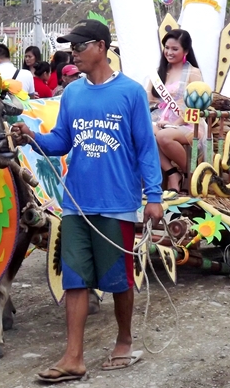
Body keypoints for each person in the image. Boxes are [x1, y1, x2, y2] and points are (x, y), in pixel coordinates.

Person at [11, 19, 163, 382]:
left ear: (100, 47)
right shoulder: (73, 94)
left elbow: (146, 147)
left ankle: (124, 340)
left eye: (78, 48)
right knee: (75, 279)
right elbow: (62, 140)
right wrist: (32, 137)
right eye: (71, 49)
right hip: (76, 204)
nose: (73, 54)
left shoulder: (130, 93)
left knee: (118, 280)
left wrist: (153, 196)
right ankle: (73, 357)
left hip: (117, 203)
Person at [148, 29, 203, 192]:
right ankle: (172, 174)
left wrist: (174, 123)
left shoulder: (193, 73)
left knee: (164, 136)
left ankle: (191, 173)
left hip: (187, 123)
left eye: (175, 49)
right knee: (144, 132)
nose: (169, 52)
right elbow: (149, 101)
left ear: (185, 51)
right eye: (167, 47)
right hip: (159, 121)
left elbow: (196, 106)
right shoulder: (158, 75)